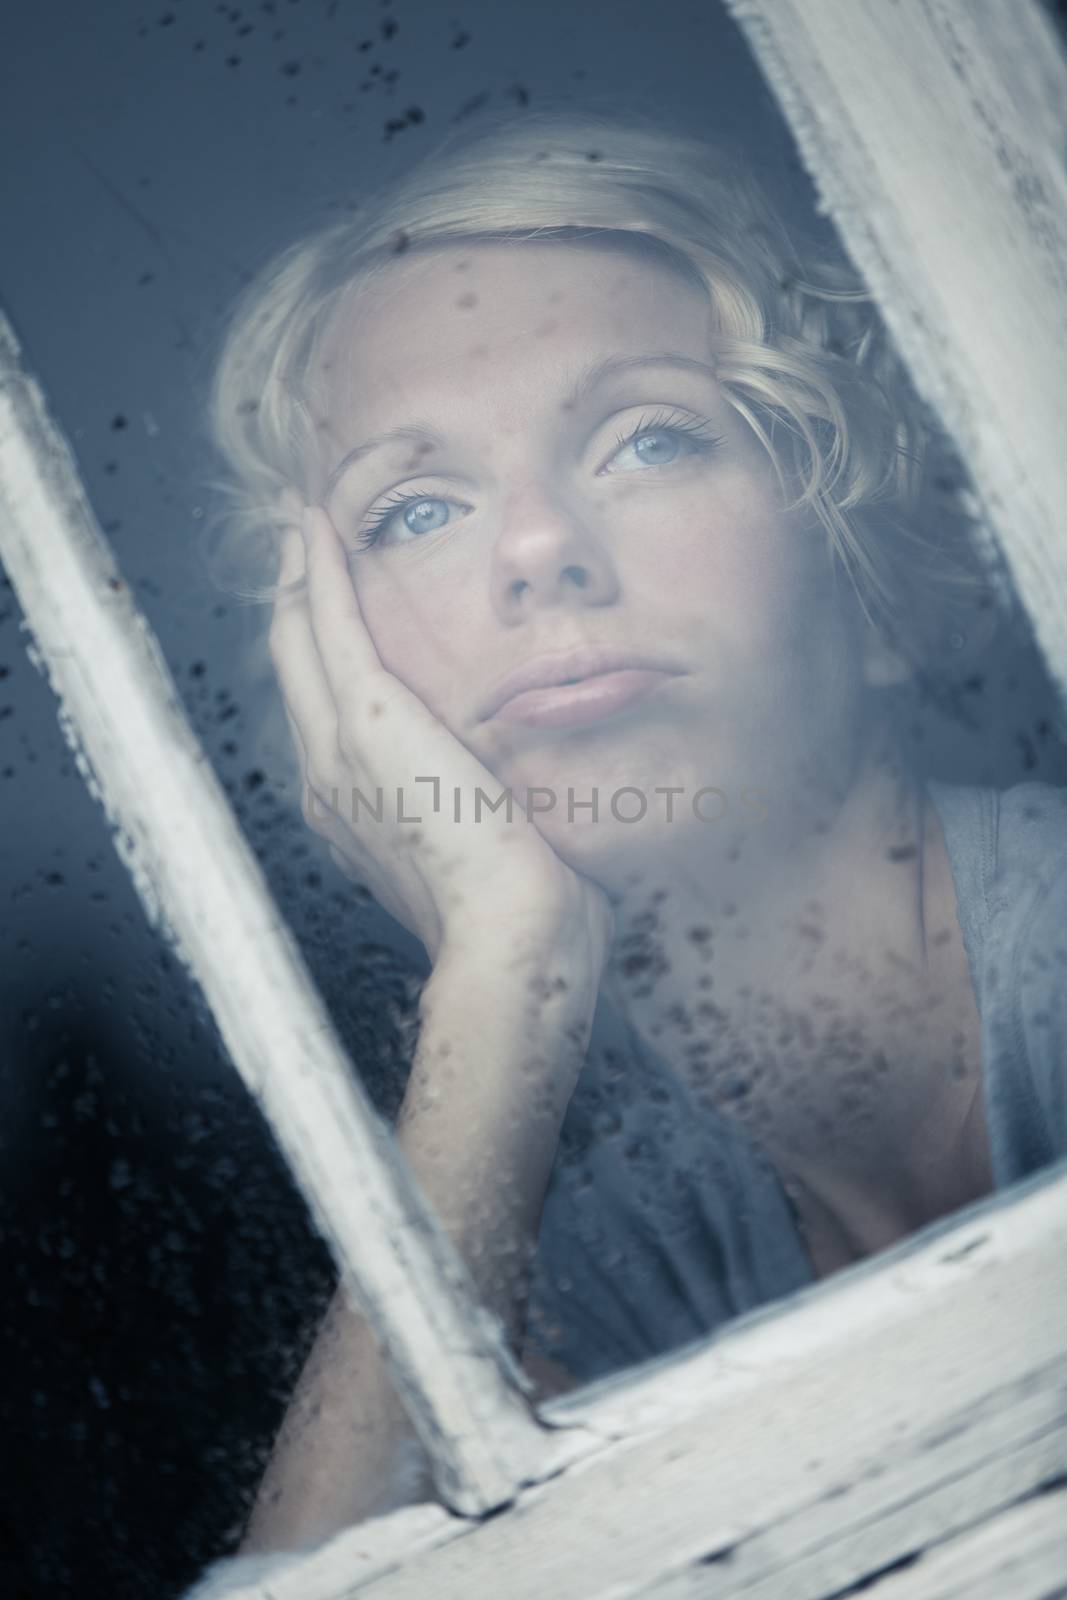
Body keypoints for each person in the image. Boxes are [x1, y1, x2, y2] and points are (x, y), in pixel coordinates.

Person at [197, 105, 1067, 1564]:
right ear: (342, 688)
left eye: (651, 438)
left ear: (867, 586)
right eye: (415, 511)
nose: (537, 548)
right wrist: (503, 972)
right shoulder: (607, 1238)